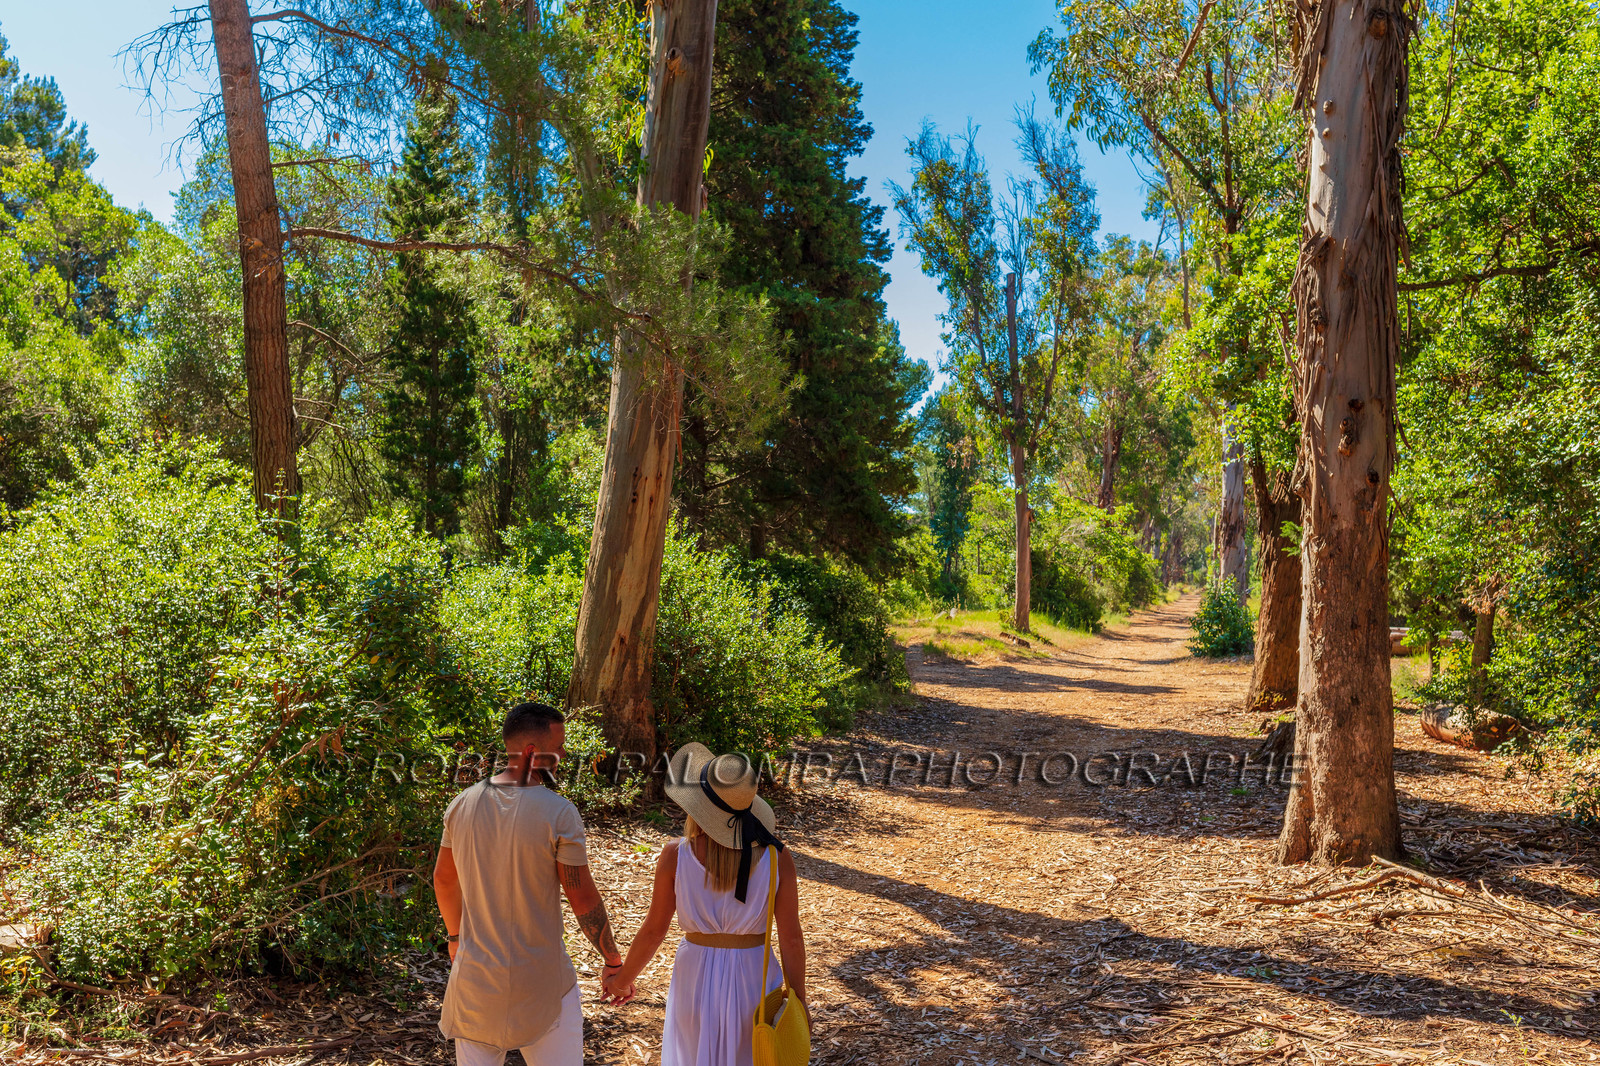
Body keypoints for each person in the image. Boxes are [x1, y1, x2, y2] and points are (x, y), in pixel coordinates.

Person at [432, 701, 623, 1066]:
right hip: (542, 982)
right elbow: (581, 897)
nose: (564, 755)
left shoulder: (461, 804)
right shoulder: (558, 812)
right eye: (560, 746)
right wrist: (612, 960)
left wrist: (456, 939)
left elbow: (443, 879)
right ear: (534, 752)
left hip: (474, 980)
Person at [604, 742, 807, 1066]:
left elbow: (655, 930)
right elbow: (791, 938)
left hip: (694, 974)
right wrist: (799, 1001)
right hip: (754, 977)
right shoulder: (776, 857)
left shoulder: (675, 855)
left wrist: (622, 979)